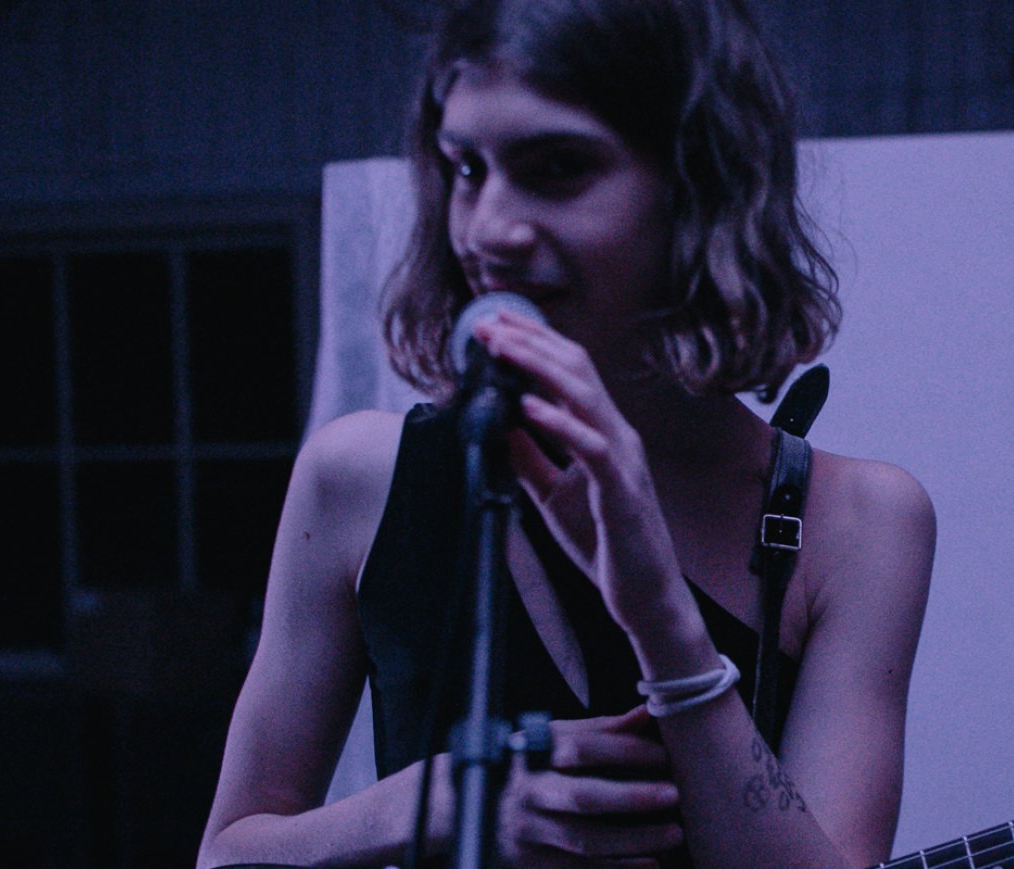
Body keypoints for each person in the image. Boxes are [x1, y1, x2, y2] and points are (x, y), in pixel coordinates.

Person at [196, 1, 936, 867]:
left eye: (558, 168)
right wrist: (442, 800)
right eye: (466, 169)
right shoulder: (360, 477)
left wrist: (663, 620)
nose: (489, 232)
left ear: (703, 187)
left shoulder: (859, 523)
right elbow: (226, 855)